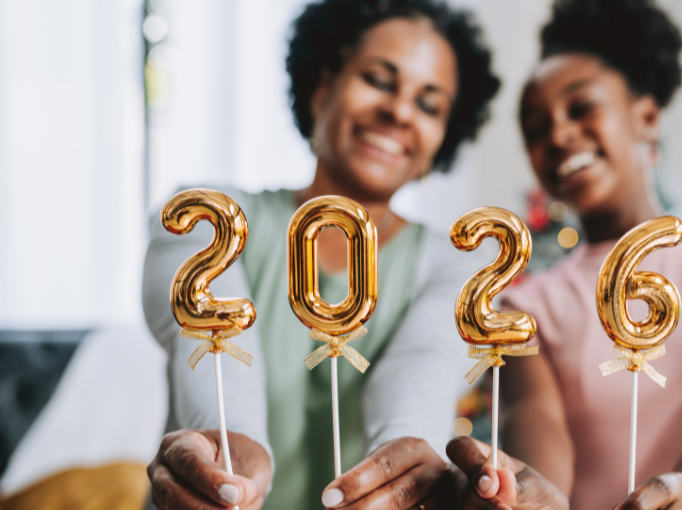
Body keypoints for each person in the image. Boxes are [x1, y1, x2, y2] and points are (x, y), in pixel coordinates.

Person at [446, 1, 682, 509]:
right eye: (536, 128)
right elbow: (538, 435)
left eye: (581, 108)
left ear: (647, 117)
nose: (558, 134)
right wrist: (526, 495)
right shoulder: (524, 310)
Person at [141, 1, 499, 509]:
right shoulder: (206, 217)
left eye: (429, 105)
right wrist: (232, 445)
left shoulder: (458, 263)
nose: (399, 111)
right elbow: (209, 343)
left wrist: (402, 458)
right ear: (322, 88)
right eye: (379, 80)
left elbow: (424, 367)